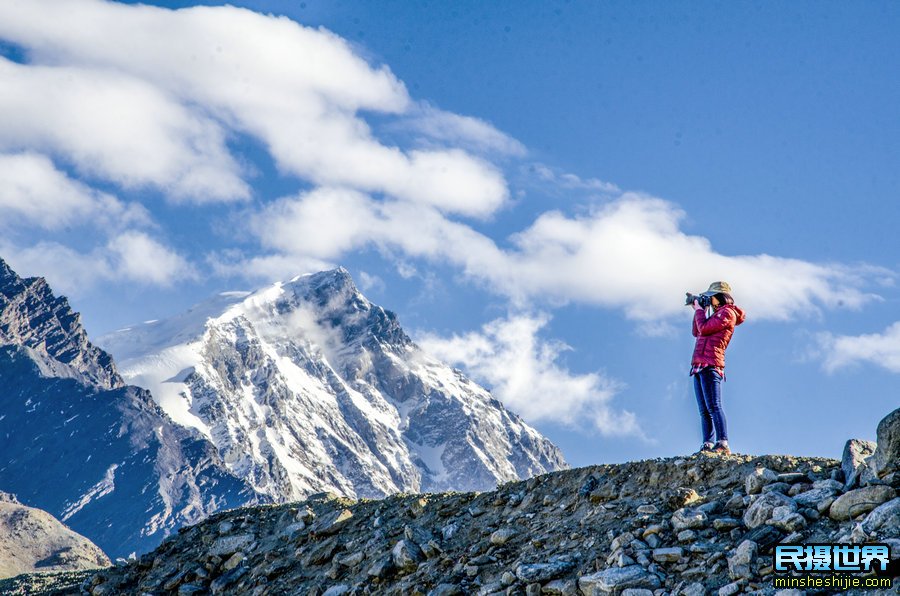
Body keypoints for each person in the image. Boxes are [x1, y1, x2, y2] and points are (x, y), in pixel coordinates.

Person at [689, 281, 745, 455]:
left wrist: (699, 311)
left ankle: (722, 442)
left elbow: (704, 329)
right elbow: (696, 331)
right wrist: (700, 311)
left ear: (720, 296)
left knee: (714, 405)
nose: (709, 299)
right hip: (699, 364)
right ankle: (707, 443)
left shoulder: (727, 313)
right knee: (704, 409)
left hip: (712, 363)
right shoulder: (716, 314)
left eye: (711, 296)